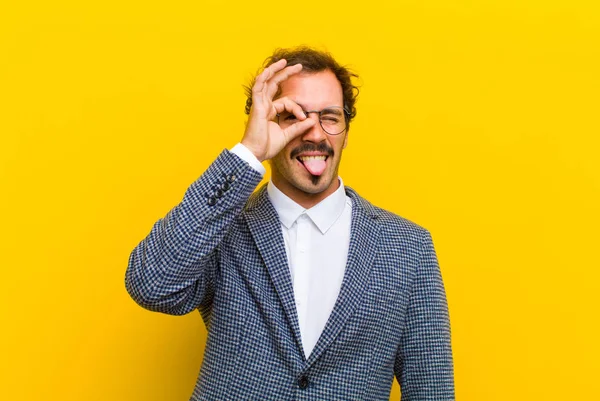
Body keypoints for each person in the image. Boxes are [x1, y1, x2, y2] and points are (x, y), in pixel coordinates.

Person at [125, 46, 455, 400]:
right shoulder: (223, 227)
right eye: (293, 116)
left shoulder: (408, 247)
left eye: (330, 117)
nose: (314, 134)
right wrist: (248, 153)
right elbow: (151, 285)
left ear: (346, 130)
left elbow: (431, 391)